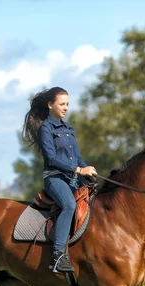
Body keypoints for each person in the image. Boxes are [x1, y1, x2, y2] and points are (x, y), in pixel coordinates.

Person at [22, 87, 97, 273]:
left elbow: (77, 157)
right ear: (50, 105)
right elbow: (52, 159)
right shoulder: (46, 129)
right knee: (69, 206)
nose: (65, 108)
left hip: (73, 178)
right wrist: (79, 170)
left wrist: (88, 170)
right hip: (54, 178)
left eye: (67, 104)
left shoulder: (69, 128)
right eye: (62, 104)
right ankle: (58, 256)